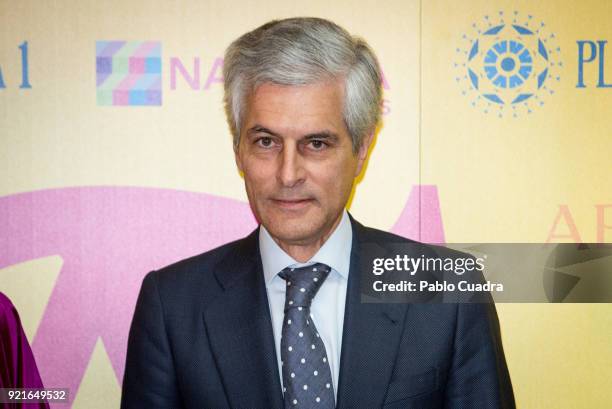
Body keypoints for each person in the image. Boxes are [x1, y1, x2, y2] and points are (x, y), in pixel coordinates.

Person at [121, 17, 515, 409]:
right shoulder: (172, 305)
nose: (288, 174)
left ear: (361, 150)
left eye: (316, 144)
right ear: (238, 149)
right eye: (265, 141)